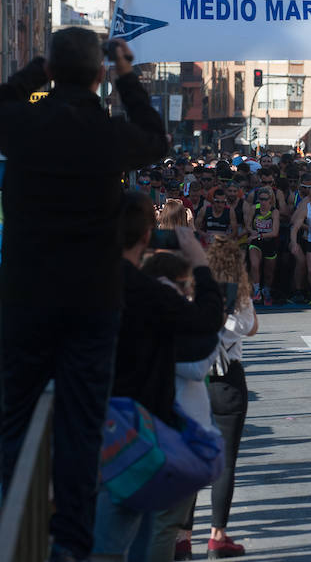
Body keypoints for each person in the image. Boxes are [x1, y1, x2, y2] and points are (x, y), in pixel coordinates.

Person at [0, 31, 167, 562]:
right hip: (93, 297)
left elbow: (6, 98)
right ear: (99, 75)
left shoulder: (22, 122)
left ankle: (8, 518)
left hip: (27, 292)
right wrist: (126, 75)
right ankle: (70, 543)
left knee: (14, 415)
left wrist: (37, 73)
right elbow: (154, 137)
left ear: (51, 69)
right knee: (81, 424)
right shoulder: (106, 131)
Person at [92, 192, 223, 562]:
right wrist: (199, 262)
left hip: (85, 424)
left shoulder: (81, 284)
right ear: (147, 237)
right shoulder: (147, 292)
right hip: (139, 433)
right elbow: (208, 321)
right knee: (133, 538)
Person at [175, 237, 259, 560]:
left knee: (191, 458)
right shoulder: (238, 296)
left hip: (197, 378)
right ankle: (217, 535)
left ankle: (183, 535)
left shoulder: (197, 293)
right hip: (228, 380)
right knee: (224, 462)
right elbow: (250, 328)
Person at [247, 186, 280, 306]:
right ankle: (256, 291)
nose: (263, 202)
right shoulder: (253, 209)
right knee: (254, 265)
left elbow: (274, 232)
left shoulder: (274, 212)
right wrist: (252, 232)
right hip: (256, 242)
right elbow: (248, 225)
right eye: (261, 199)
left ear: (270, 200)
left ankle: (266, 291)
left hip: (269, 243)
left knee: (268, 272)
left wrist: (259, 235)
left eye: (266, 199)